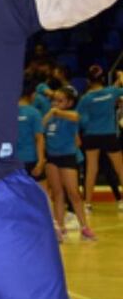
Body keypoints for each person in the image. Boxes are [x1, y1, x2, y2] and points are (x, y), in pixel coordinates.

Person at [44, 85, 95, 241]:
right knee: (57, 194)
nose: (55, 104)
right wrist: (50, 113)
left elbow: (76, 117)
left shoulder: (71, 116)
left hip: (67, 158)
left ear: (69, 103)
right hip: (51, 159)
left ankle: (84, 227)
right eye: (54, 100)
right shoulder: (50, 115)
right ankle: (60, 228)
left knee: (73, 193)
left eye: (60, 101)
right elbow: (40, 127)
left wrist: (57, 112)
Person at [77, 64, 123, 210]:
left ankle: (87, 204)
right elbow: (114, 91)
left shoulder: (85, 98)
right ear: (103, 79)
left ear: (88, 81)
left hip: (91, 135)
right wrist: (121, 77)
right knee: (120, 168)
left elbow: (79, 118)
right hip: (109, 135)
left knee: (91, 169)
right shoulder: (112, 92)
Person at [18, 75, 48, 188]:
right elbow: (39, 139)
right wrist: (41, 161)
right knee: (43, 195)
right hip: (32, 159)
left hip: (14, 161)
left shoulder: (7, 113)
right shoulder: (34, 113)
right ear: (33, 95)